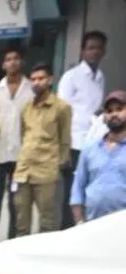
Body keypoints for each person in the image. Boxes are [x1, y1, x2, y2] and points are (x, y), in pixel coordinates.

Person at [14, 62, 72, 235]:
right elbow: (23, 136)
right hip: (24, 172)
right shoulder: (26, 107)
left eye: (41, 78)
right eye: (33, 79)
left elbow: (65, 141)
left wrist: (57, 166)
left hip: (47, 172)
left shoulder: (61, 107)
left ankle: (44, 261)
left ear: (50, 80)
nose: (36, 82)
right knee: (21, 224)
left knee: (48, 224)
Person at [58, 29, 107, 220]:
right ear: (82, 52)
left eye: (99, 48)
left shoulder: (101, 76)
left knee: (88, 191)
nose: (95, 52)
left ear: (104, 51)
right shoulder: (71, 76)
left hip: (93, 142)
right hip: (73, 144)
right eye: (90, 48)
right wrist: (64, 148)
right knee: (71, 194)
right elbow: (61, 113)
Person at [0, 46, 32, 239]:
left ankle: (11, 246)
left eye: (15, 58)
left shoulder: (32, 89)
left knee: (17, 205)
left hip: (21, 157)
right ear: (3, 64)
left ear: (21, 61)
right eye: (8, 59)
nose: (12, 62)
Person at [71, 87, 126, 221]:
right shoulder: (90, 148)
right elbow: (78, 188)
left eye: (119, 109)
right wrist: (79, 223)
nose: (114, 114)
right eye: (109, 111)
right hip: (93, 225)